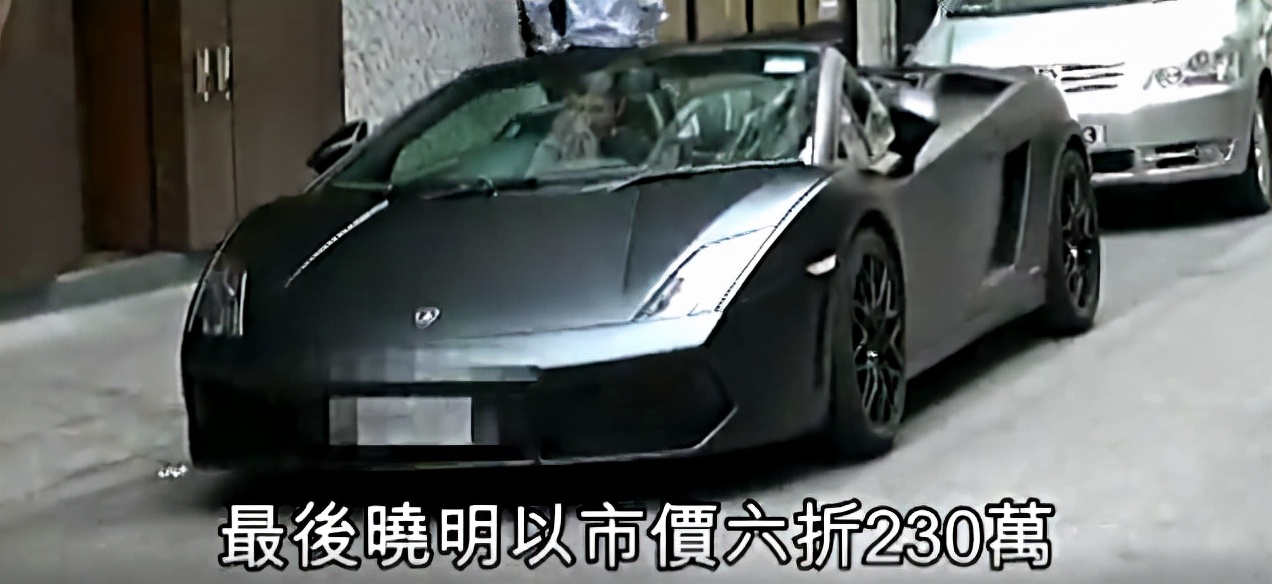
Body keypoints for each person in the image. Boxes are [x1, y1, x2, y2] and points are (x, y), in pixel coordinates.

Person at [525, 70, 653, 175]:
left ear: (618, 108)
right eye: (581, 110)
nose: (588, 119)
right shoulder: (557, 143)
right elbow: (535, 179)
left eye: (597, 110)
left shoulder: (631, 145)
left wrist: (592, 157)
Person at [524, 0, 666, 54]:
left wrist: (549, 42)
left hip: (580, 49)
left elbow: (537, 6)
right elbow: (654, 11)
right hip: (621, 50)